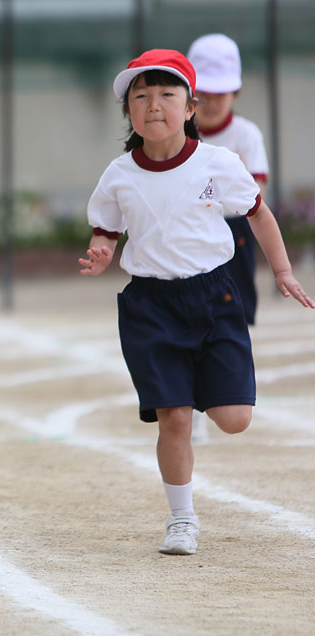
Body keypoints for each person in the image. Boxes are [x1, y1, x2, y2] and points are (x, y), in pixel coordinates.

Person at [78, 51, 313, 556]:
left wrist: (282, 271)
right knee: (176, 418)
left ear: (190, 108)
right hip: (151, 305)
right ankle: (181, 518)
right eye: (141, 96)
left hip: (214, 296)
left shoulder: (218, 163)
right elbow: (106, 228)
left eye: (167, 94)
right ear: (129, 112)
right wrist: (101, 251)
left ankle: (205, 385)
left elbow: (258, 213)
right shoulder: (119, 174)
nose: (153, 105)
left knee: (234, 418)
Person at [187, 34, 269, 443]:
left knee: (232, 320)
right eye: (204, 92)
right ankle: (192, 408)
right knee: (189, 320)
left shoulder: (246, 135)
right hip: (187, 237)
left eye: (222, 92)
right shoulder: (178, 135)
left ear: (235, 91)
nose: (213, 101)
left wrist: (207, 198)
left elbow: (254, 197)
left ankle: (229, 391)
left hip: (233, 240)